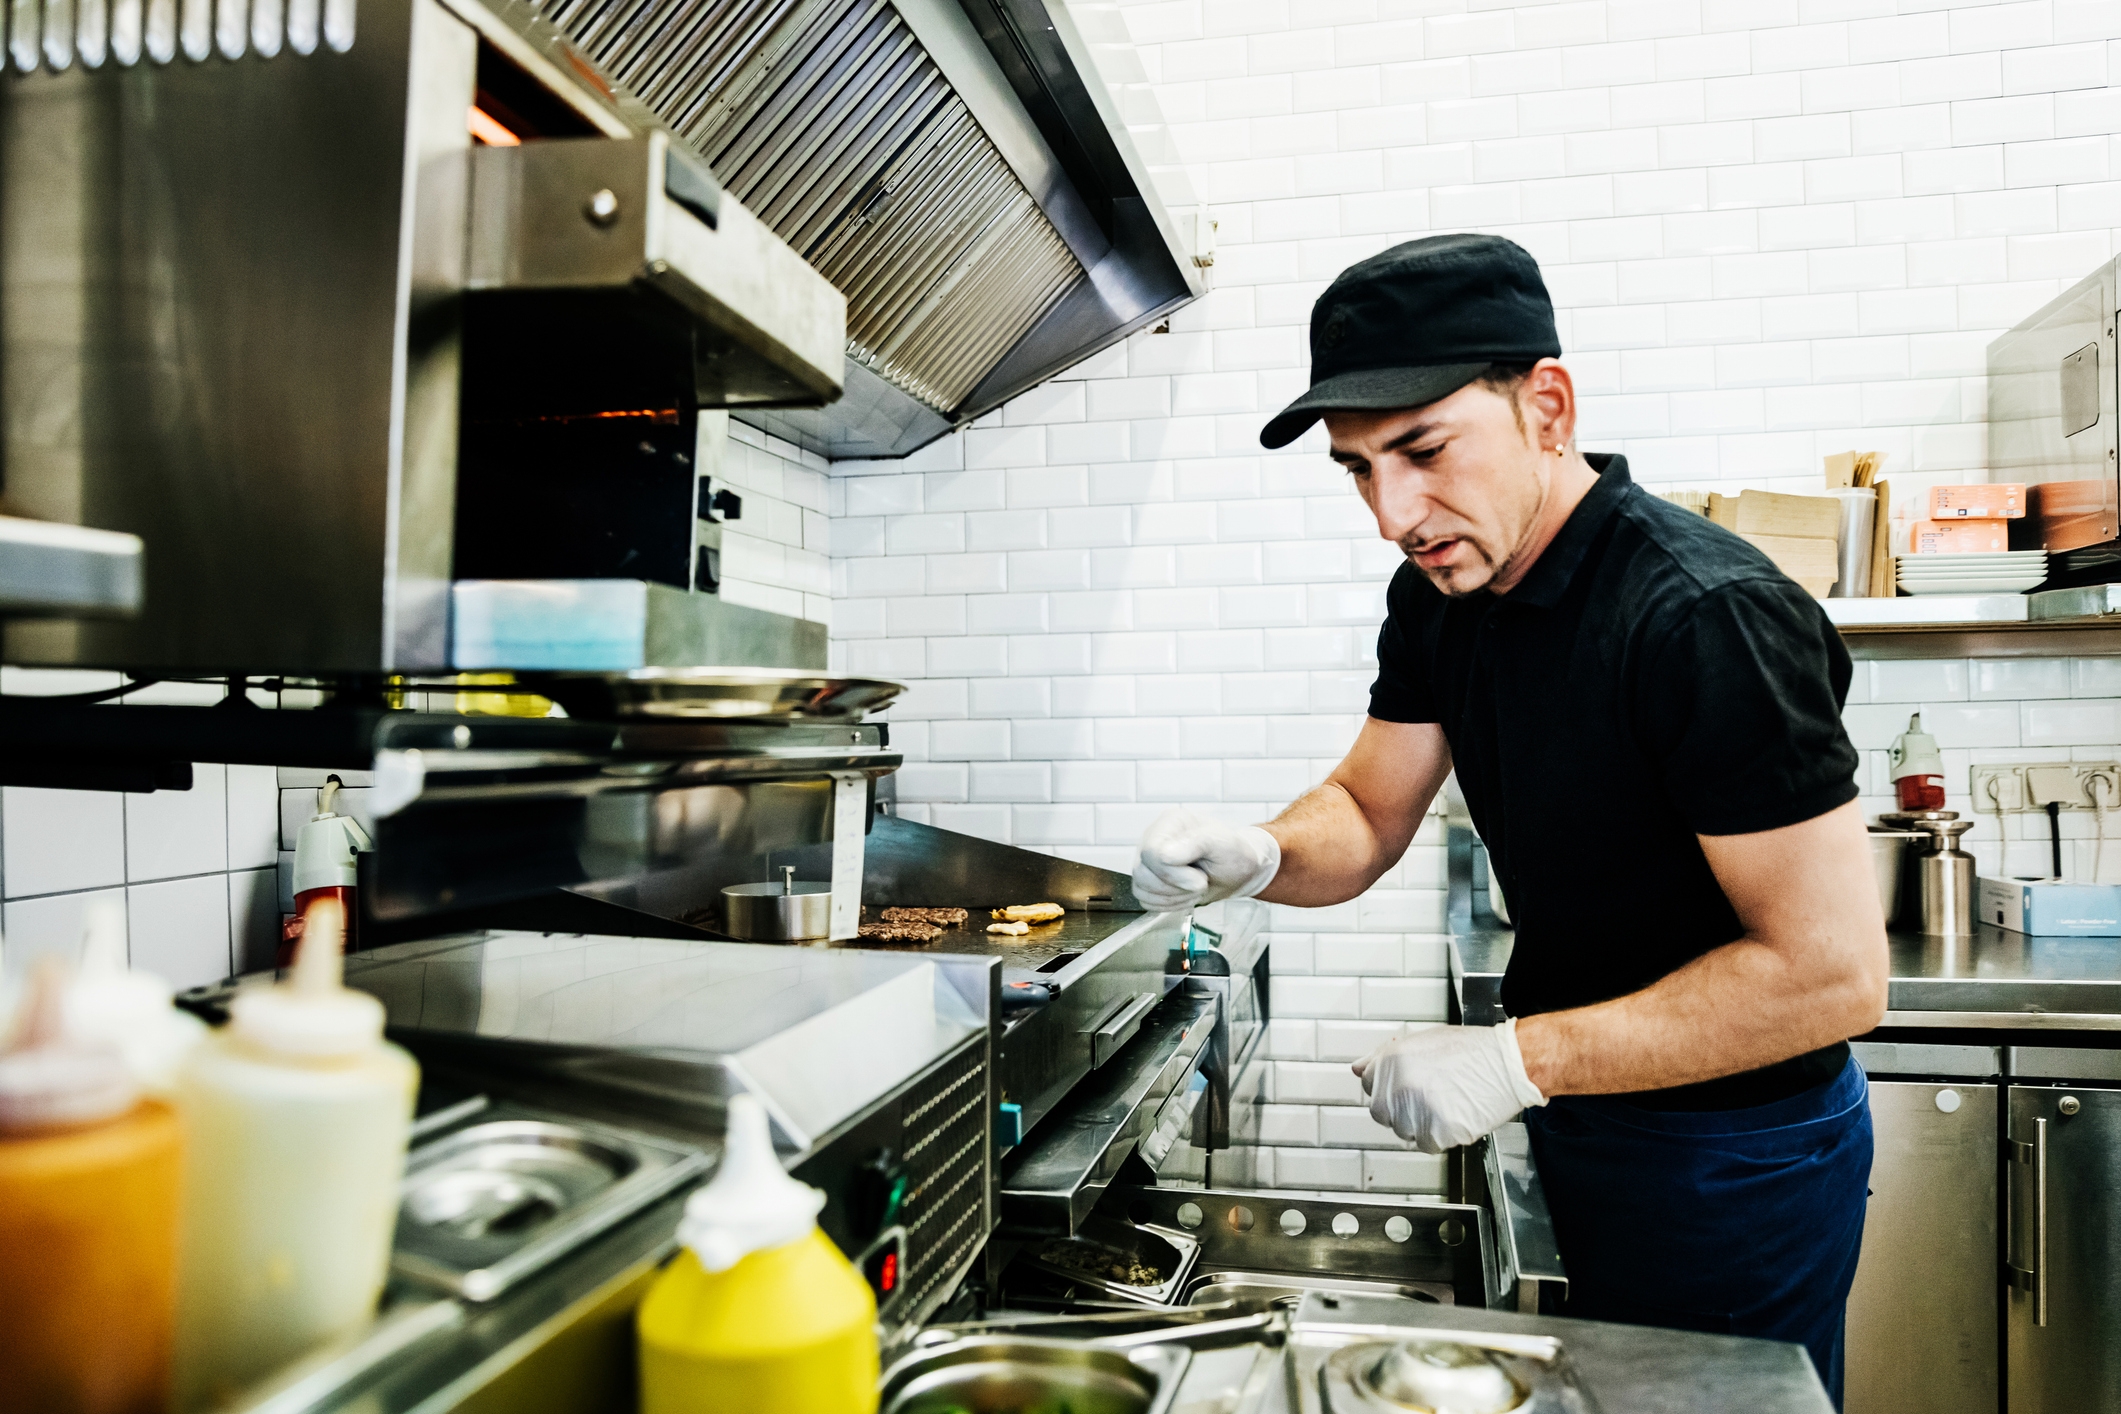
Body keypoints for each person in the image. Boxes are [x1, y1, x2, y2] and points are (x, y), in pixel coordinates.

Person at [1130, 233, 1887, 1406]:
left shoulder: (1706, 617)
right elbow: (1366, 806)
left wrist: (1518, 1056)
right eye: (1359, 469)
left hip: (1736, 1156)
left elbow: (1830, 975)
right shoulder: (1445, 593)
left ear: (1547, 406)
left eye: (1425, 451)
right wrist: (1267, 852)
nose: (1393, 513)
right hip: (1592, 1120)